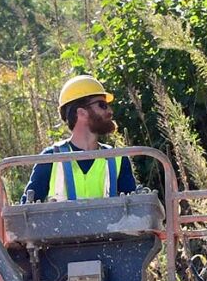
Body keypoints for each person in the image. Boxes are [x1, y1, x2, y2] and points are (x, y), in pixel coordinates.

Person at [23, 74, 139, 202]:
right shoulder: (50, 158)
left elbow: (134, 210)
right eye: (102, 105)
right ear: (81, 113)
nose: (110, 111)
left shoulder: (118, 159)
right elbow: (26, 212)